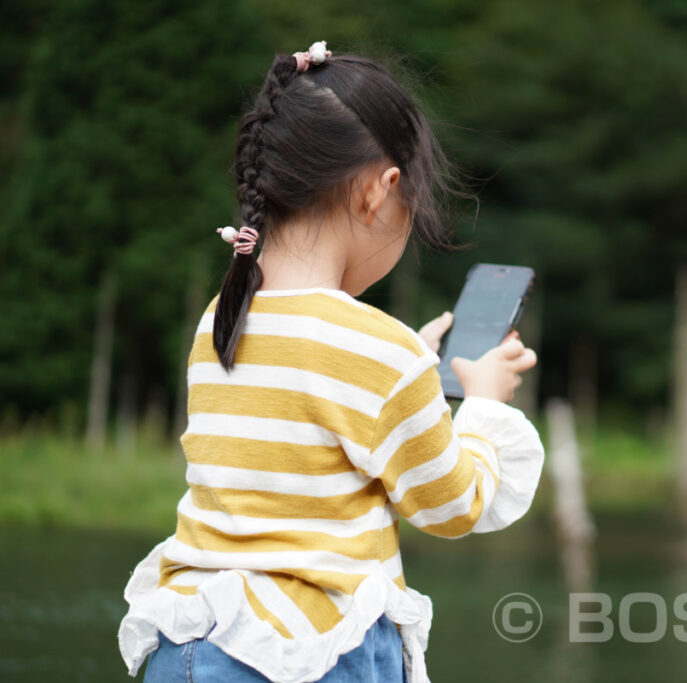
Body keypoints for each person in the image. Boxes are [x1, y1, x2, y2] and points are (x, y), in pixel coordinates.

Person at [117, 41, 544, 683]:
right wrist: (482, 405)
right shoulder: (375, 348)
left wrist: (412, 366)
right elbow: (451, 504)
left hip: (193, 645)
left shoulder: (222, 316)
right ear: (382, 190)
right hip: (312, 654)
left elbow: (307, 416)